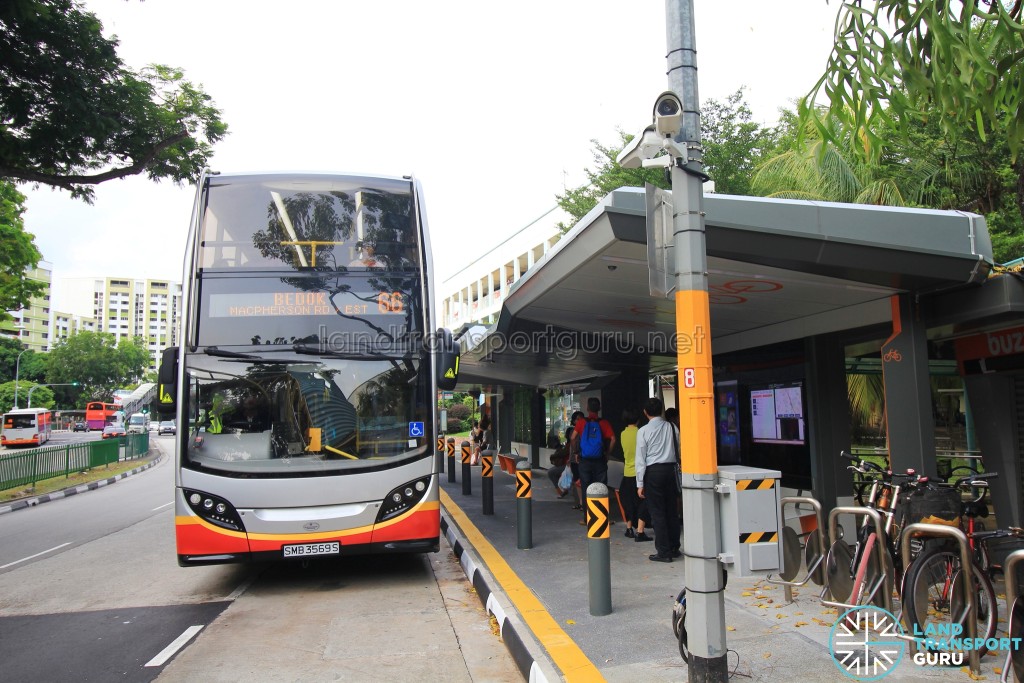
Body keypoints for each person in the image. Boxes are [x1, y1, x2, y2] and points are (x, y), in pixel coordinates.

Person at [636, 396, 681, 562]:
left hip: (653, 472)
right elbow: (679, 448)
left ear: (645, 412)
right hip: (671, 471)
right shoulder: (672, 427)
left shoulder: (643, 431)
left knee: (657, 512)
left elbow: (640, 459)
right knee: (671, 511)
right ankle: (674, 546)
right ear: (661, 410)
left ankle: (663, 551)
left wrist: (639, 483)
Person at [572, 398, 616, 526]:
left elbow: (573, 438)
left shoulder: (581, 422)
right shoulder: (604, 423)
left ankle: (587, 518)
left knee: (586, 488)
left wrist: (576, 453)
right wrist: (607, 453)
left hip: (584, 460)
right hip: (600, 460)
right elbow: (613, 439)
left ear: (587, 408)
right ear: (599, 408)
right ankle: (603, 517)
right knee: (602, 487)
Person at [618, 407, 651, 542]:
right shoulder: (641, 433)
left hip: (627, 472)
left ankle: (629, 528)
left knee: (628, 501)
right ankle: (640, 530)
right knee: (643, 501)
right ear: (638, 419)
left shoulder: (622, 434)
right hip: (640, 473)